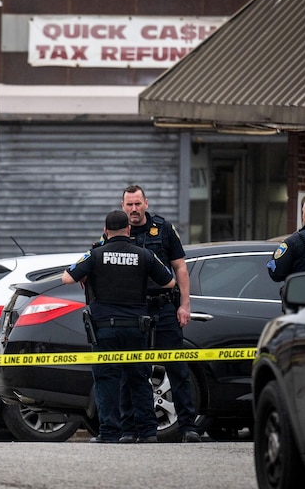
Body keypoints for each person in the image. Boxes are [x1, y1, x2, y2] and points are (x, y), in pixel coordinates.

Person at [62, 210, 175, 444]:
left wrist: (87, 276)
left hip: (104, 329)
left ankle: (110, 433)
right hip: (136, 327)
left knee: (106, 381)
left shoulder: (94, 255)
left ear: (105, 232)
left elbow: (67, 278)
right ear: (129, 230)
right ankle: (147, 432)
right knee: (139, 379)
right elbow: (169, 281)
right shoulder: (144, 255)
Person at [117, 184, 201, 443]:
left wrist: (184, 305)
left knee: (176, 367)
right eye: (129, 204)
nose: (134, 209)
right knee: (131, 368)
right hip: (133, 309)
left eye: (137, 204)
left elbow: (180, 268)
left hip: (164, 307)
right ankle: (130, 429)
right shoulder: (117, 230)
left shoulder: (163, 229)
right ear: (123, 206)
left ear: (146, 203)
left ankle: (188, 427)